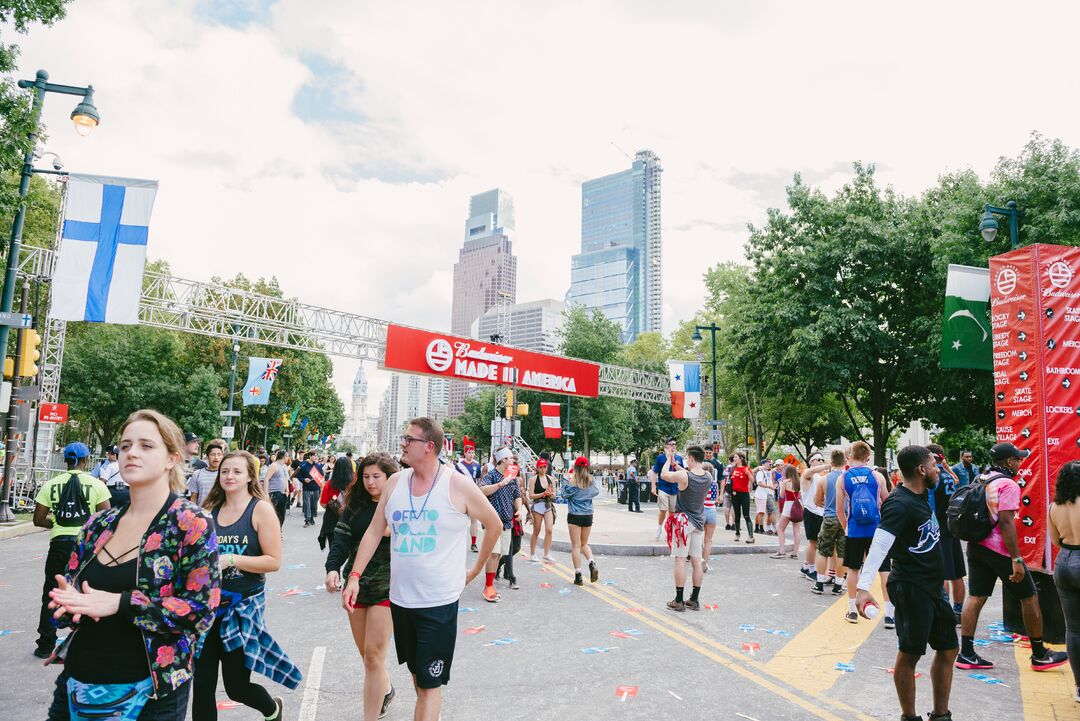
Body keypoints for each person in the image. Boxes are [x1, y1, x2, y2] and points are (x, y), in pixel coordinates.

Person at [46, 409, 219, 721]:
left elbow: (200, 611)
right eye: (125, 446)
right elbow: (70, 598)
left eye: (146, 446)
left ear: (172, 458)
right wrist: (66, 605)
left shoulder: (190, 522)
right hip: (78, 684)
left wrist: (121, 603)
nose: (131, 453)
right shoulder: (99, 523)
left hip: (150, 692)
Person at [342, 417, 501, 721]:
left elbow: (493, 524)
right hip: (401, 600)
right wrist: (354, 577)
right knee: (419, 679)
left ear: (429, 447)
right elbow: (375, 531)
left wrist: (477, 569)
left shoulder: (457, 484)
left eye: (408, 439)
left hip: (438, 602)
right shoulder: (395, 483)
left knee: (429, 687)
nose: (402, 443)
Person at [193, 451, 297, 721]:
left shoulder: (260, 509)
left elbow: (273, 561)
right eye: (225, 471)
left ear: (251, 476)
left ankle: (272, 710)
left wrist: (230, 559)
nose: (229, 476)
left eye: (237, 471)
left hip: (241, 611)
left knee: (236, 687)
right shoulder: (209, 510)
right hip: (207, 608)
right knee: (202, 686)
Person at [855, 445, 957, 721]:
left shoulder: (922, 495)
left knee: (948, 647)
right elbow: (879, 545)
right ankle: (909, 717)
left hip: (932, 587)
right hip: (911, 587)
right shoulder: (899, 503)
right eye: (934, 464)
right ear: (922, 469)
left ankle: (940, 714)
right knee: (910, 653)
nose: (938, 469)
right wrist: (863, 589)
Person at [957, 442, 1068, 671]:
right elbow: (1006, 522)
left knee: (976, 596)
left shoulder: (982, 478)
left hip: (976, 546)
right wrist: (1016, 559)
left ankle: (966, 653)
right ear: (1009, 462)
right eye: (1018, 459)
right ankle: (1039, 654)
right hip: (999, 551)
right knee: (1029, 596)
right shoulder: (1007, 484)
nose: (1020, 462)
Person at [326, 453, 400, 721]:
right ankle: (387, 689)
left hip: (388, 586)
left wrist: (397, 530)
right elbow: (341, 540)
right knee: (367, 655)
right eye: (366, 477)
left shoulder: (401, 504)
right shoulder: (355, 505)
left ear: (389, 477)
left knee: (373, 655)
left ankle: (373, 709)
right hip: (356, 585)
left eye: (376, 477)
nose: (370, 482)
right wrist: (332, 568)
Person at [32, 442, 111, 659]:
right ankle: (86, 640)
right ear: (86, 460)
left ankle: (45, 644)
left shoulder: (51, 484)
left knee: (52, 591)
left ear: (66, 460)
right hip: (84, 546)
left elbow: (38, 518)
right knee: (87, 590)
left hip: (59, 543)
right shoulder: (96, 485)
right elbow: (106, 518)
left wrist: (58, 523)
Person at [836, 441, 891, 625]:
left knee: (853, 569)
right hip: (877, 530)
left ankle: (852, 610)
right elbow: (888, 503)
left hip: (854, 530)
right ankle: (890, 614)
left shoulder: (843, 478)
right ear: (867, 457)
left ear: (850, 456)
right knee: (884, 570)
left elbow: (839, 510)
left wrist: (846, 527)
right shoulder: (877, 476)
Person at [660, 445, 712, 611]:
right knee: (697, 561)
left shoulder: (684, 476)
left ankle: (679, 600)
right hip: (699, 523)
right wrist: (677, 465)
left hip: (683, 522)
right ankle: (694, 600)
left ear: (690, 458)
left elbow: (663, 475)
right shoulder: (708, 476)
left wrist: (668, 459)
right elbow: (688, 473)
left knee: (680, 560)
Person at [1049, 461, 1080, 703]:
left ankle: (1079, 687)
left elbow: (1056, 541)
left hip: (1064, 562)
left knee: (1074, 629)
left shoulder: (1054, 507)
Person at [927, 443, 967, 622]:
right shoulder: (949, 476)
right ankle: (958, 611)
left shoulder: (932, 477)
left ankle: (943, 612)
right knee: (957, 573)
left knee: (942, 573)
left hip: (938, 529)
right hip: (952, 527)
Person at [478, 448, 525, 597]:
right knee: (494, 553)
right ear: (503, 460)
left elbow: (517, 495)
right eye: (510, 458)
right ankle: (488, 586)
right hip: (492, 521)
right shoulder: (491, 475)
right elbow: (481, 490)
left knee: (500, 555)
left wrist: (519, 510)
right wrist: (500, 484)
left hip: (507, 522)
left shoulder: (512, 476)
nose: (512, 461)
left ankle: (491, 579)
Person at [812, 449, 848, 595]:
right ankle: (838, 585)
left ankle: (819, 583)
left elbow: (816, 501)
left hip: (829, 518)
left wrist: (825, 504)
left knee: (823, 551)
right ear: (845, 462)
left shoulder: (824, 479)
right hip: (845, 519)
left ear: (831, 463)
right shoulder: (848, 478)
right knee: (841, 553)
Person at [799, 455, 829, 580]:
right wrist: (828, 465)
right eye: (818, 459)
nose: (821, 461)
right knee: (813, 542)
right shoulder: (807, 473)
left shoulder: (819, 476)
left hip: (819, 512)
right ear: (811, 462)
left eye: (822, 460)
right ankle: (811, 570)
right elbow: (810, 472)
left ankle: (806, 566)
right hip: (811, 511)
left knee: (815, 542)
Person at [651, 437, 683, 541]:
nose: (673, 446)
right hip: (663, 487)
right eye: (671, 444)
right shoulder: (660, 458)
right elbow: (655, 472)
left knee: (672, 512)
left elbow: (682, 472)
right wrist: (653, 486)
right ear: (666, 446)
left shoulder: (679, 458)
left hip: (674, 488)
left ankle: (670, 530)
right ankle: (660, 527)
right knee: (663, 509)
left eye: (674, 444)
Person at [319, 456, 353, 551]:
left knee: (334, 550)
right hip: (350, 520)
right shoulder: (355, 483)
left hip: (332, 521)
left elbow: (323, 504)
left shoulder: (329, 484)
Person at [454, 437, 482, 552]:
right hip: (461, 495)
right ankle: (458, 543)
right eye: (469, 452)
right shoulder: (459, 466)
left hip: (473, 495)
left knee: (474, 520)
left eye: (473, 452)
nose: (471, 454)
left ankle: (474, 543)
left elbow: (479, 479)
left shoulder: (477, 465)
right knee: (460, 520)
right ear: (465, 453)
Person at [528, 458, 557, 563]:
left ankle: (546, 554)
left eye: (545, 467)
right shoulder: (533, 479)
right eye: (541, 467)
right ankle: (532, 553)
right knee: (536, 530)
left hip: (548, 505)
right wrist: (543, 494)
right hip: (538, 506)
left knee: (549, 530)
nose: (543, 469)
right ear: (537, 468)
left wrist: (550, 494)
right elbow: (531, 495)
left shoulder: (551, 479)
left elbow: (555, 494)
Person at [772, 464, 803, 561]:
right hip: (798, 505)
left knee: (780, 529)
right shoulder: (799, 481)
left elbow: (781, 495)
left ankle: (782, 551)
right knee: (796, 531)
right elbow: (801, 495)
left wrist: (782, 485)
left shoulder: (785, 482)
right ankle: (795, 553)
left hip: (788, 505)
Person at [188, 439, 226, 507]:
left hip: (221, 514)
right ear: (207, 457)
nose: (216, 457)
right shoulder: (197, 474)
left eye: (219, 454)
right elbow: (193, 498)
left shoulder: (227, 475)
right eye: (213, 454)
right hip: (202, 513)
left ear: (222, 457)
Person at [701, 450, 720, 573]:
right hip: (712, 511)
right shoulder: (714, 484)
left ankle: (697, 559)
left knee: (697, 537)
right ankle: (705, 561)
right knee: (708, 540)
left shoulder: (700, 483)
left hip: (701, 511)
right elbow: (716, 499)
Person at [729, 452, 754, 543]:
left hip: (744, 494)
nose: (734, 459)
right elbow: (730, 481)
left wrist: (749, 474)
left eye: (736, 457)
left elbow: (752, 480)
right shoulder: (733, 469)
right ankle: (737, 534)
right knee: (737, 515)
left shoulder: (746, 468)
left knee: (746, 515)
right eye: (734, 457)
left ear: (741, 458)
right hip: (735, 494)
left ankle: (751, 536)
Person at [292, 451, 321, 527]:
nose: (315, 457)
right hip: (306, 487)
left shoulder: (318, 466)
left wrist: (319, 480)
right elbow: (299, 476)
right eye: (314, 455)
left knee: (314, 504)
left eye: (316, 456)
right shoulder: (304, 466)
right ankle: (307, 520)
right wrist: (304, 480)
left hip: (315, 487)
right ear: (310, 456)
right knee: (307, 503)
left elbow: (321, 475)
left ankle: (311, 517)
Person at [263, 451, 291, 529]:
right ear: (284, 457)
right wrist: (266, 493)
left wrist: (287, 490)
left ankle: (279, 529)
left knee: (282, 514)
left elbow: (286, 479)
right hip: (274, 492)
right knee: (273, 513)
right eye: (287, 456)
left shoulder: (284, 466)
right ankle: (272, 531)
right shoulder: (274, 465)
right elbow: (266, 478)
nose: (288, 458)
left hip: (283, 493)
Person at [754, 459, 775, 535]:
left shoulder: (766, 472)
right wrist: (769, 486)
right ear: (762, 464)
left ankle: (757, 528)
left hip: (763, 494)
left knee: (759, 511)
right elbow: (759, 483)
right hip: (760, 494)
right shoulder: (760, 472)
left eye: (770, 463)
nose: (769, 465)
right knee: (761, 512)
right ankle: (761, 528)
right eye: (767, 463)